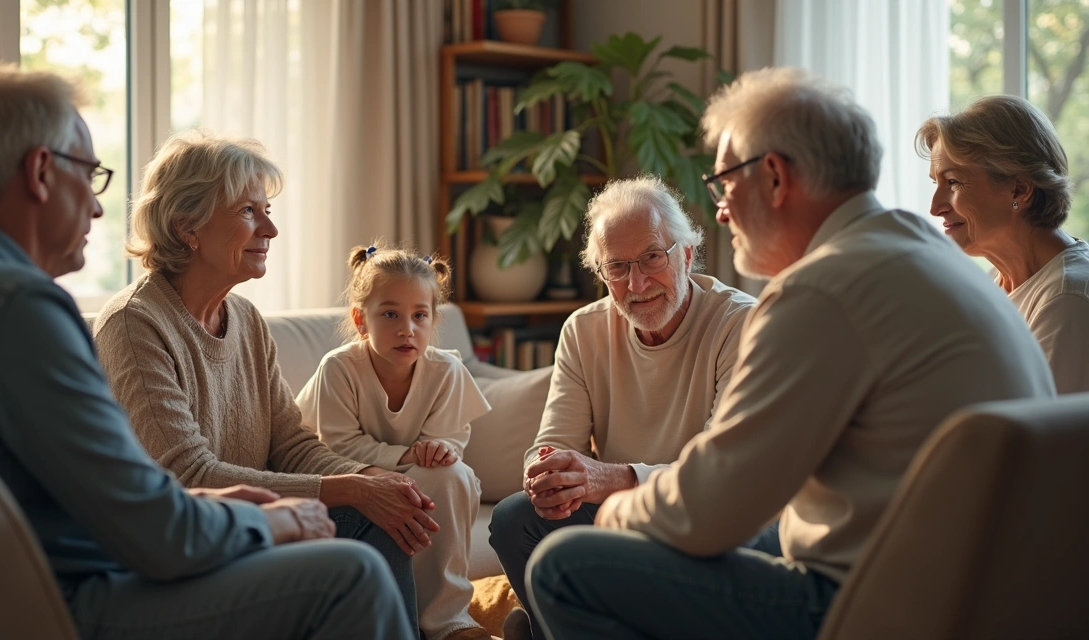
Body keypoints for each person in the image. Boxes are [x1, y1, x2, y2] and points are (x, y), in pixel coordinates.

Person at [0, 63, 412, 639]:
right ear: (39, 171)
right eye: (90, 175)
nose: (99, 207)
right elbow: (159, 534)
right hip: (61, 605)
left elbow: (115, 496)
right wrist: (267, 522)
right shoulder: (20, 311)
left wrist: (249, 503)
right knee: (350, 574)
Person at [523, 67, 1056, 640]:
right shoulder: (927, 255)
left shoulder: (821, 289)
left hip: (876, 607)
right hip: (989, 601)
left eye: (724, 184)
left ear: (774, 177)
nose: (722, 211)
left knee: (567, 567)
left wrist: (613, 515)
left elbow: (708, 510)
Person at [93, 130, 433, 632]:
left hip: (255, 528)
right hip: (185, 548)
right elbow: (188, 475)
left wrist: (367, 480)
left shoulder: (247, 320)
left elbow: (291, 445)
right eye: (249, 211)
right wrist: (350, 490)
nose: (270, 229)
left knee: (383, 520)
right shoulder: (134, 324)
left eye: (267, 209)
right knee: (360, 521)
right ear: (188, 226)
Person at [488, 174, 757, 640]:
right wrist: (549, 475)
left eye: (652, 257)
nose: (637, 283)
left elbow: (720, 472)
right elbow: (553, 442)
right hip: (617, 514)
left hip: (705, 513)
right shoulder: (583, 330)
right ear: (602, 275)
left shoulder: (740, 322)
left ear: (686, 255)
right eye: (617, 267)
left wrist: (613, 479)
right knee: (514, 519)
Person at [295, 244, 494, 640]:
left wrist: (441, 449)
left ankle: (449, 621)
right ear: (360, 319)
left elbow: (450, 439)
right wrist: (405, 455)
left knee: (454, 474)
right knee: (421, 478)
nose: (407, 329)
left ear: (433, 321)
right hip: (343, 480)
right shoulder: (338, 369)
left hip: (412, 476)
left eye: (419, 316)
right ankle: (406, 619)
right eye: (390, 314)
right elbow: (335, 448)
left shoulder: (446, 370)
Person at [917, 95, 1089, 393]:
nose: (935, 207)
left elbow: (1045, 433)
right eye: (936, 183)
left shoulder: (1066, 299)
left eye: (954, 182)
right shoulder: (998, 282)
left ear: (1019, 190)